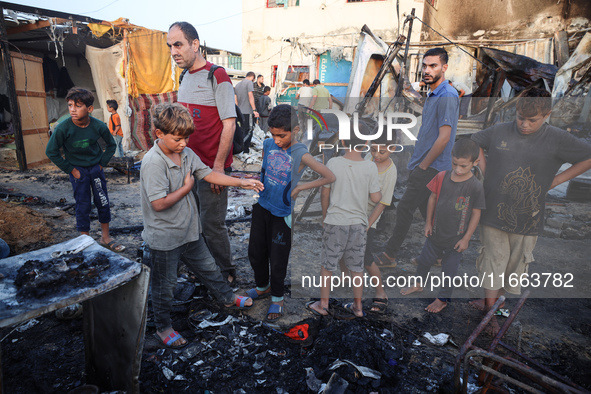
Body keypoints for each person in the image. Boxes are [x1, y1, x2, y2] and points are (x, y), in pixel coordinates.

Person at [140, 103, 263, 348]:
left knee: (209, 268)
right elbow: (159, 204)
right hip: (165, 239)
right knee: (165, 287)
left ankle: (227, 298)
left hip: (189, 232)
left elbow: (208, 174)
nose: (184, 143)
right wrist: (186, 188)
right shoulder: (153, 162)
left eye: (186, 138)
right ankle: (163, 327)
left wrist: (241, 182)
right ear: (159, 134)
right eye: (177, 139)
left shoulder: (186, 153)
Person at [470, 87, 591, 324]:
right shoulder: (501, 131)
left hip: (528, 218)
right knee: (493, 261)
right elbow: (474, 142)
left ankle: (495, 306)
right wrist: (484, 171)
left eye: (532, 120)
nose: (524, 124)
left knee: (514, 267)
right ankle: (489, 313)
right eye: (521, 118)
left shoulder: (557, 138)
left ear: (547, 115)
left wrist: (556, 180)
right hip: (493, 209)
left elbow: (587, 157)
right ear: (516, 111)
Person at [247, 104, 335, 323]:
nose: (277, 140)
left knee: (278, 259)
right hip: (262, 206)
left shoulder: (300, 153)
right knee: (255, 252)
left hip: (282, 214)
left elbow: (329, 176)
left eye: (282, 135)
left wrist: (299, 188)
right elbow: (265, 169)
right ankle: (262, 287)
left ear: (295, 130)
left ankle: (277, 297)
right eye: (273, 135)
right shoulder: (268, 144)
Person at [168, 22, 238, 286]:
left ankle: (226, 272)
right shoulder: (184, 77)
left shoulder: (217, 75)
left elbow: (229, 124)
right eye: (170, 46)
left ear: (195, 45)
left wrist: (218, 168)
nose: (174, 51)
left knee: (211, 224)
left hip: (211, 168)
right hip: (188, 167)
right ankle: (203, 269)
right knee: (191, 221)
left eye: (178, 44)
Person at [374, 47, 459, 267]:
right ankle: (439, 255)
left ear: (444, 68)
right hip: (424, 164)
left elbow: (444, 137)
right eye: (425, 66)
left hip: (431, 167)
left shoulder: (447, 95)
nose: (427, 70)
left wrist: (423, 166)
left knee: (404, 208)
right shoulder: (434, 93)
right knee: (426, 211)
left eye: (433, 66)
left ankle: (390, 255)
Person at [400, 138, 485, 313]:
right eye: (455, 164)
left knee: (449, 270)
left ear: (475, 163)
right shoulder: (441, 176)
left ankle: (443, 299)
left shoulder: (475, 186)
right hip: (436, 233)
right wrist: (428, 223)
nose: (458, 170)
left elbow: (476, 212)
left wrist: (466, 238)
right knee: (423, 261)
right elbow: (431, 198)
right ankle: (418, 284)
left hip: (456, 238)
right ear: (451, 157)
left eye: (463, 166)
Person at [306, 129, 381, 318]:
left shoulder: (333, 163)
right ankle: (358, 307)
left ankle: (323, 305)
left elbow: (325, 193)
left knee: (328, 265)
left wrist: (325, 217)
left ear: (343, 142)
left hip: (335, 222)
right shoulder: (370, 167)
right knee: (357, 267)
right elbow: (375, 197)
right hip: (358, 224)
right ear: (366, 145)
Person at [45, 87, 125, 252]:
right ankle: (86, 239)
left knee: (102, 201)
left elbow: (111, 145)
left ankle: (105, 237)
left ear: (89, 109)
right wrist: (71, 169)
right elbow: (51, 152)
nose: (73, 110)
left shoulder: (98, 126)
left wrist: (101, 163)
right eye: (70, 105)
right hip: (78, 171)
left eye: (78, 106)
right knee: (83, 204)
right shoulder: (62, 128)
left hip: (95, 169)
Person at [362, 135, 398, 314]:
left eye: (381, 151)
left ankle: (381, 292)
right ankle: (347, 279)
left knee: (366, 257)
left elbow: (383, 202)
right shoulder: (368, 158)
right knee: (344, 248)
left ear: (392, 149)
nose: (376, 155)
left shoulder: (391, 171)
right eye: (373, 149)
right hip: (354, 211)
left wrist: (368, 225)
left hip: (370, 216)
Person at [235, 71, 259, 152]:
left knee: (242, 130)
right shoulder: (249, 83)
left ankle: (240, 147)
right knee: (249, 130)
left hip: (240, 112)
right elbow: (250, 96)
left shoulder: (237, 85)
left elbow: (235, 100)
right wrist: (254, 110)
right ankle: (243, 149)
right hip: (248, 111)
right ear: (252, 78)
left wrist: (237, 110)